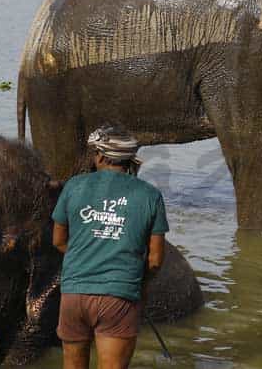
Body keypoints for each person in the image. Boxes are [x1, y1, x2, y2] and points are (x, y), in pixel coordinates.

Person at [52, 128, 168, 369]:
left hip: (74, 295)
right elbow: (155, 260)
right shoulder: (150, 195)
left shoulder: (73, 186)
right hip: (120, 296)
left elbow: (59, 241)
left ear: (101, 157)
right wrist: (138, 283)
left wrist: (87, 257)